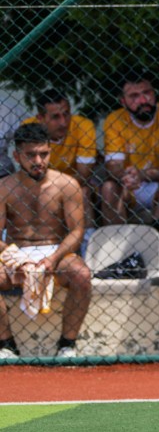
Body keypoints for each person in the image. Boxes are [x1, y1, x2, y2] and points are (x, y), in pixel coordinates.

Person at [0, 123, 92, 359]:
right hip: (17, 253)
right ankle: (7, 345)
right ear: (17, 156)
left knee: (81, 275)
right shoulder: (4, 188)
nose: (38, 160)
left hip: (56, 252)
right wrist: (19, 261)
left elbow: (76, 231)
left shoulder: (67, 185)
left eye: (44, 153)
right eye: (30, 155)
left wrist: (53, 259)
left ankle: (67, 344)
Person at [100, 73, 159, 225]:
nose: (143, 100)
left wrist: (141, 175)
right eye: (134, 96)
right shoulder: (114, 120)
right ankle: (115, 241)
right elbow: (113, 165)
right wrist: (126, 177)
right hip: (128, 184)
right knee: (109, 187)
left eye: (147, 93)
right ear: (123, 101)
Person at [29, 91, 98, 225]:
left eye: (66, 114)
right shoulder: (29, 128)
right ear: (40, 118)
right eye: (55, 117)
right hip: (43, 186)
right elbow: (32, 174)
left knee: (82, 192)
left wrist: (55, 187)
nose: (63, 122)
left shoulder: (84, 126)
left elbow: (84, 175)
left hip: (76, 184)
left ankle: (87, 240)